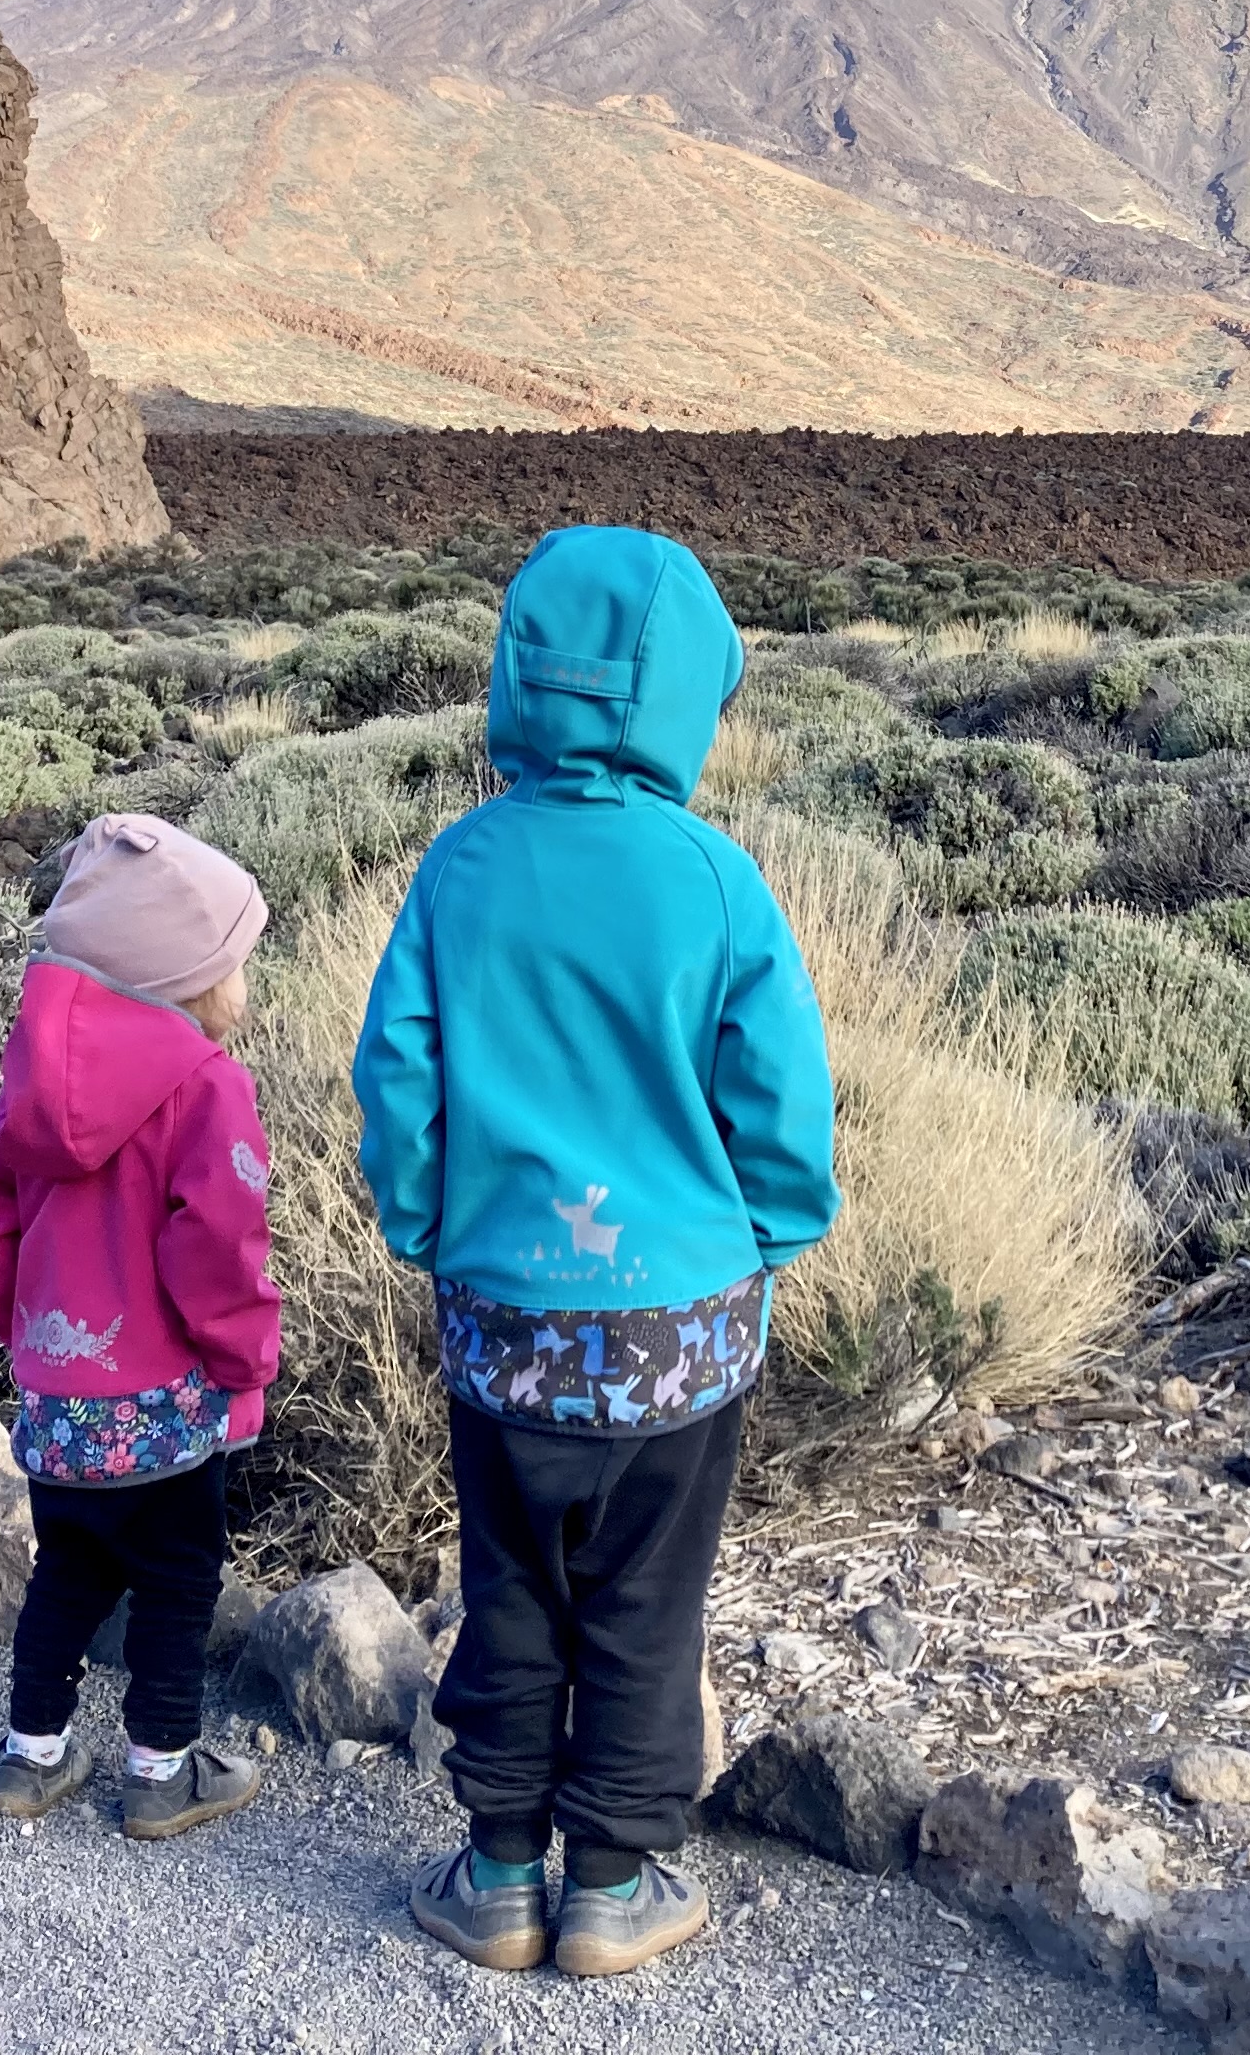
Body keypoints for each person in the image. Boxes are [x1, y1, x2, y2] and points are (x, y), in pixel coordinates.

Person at [354, 526, 839, 1977]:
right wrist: (767, 1233)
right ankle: (615, 1891)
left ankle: (498, 1875)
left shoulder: (460, 868)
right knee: (647, 1602)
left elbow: (399, 1075)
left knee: (511, 1587)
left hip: (503, 1315)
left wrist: (427, 1223)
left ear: (520, 681)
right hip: (684, 1329)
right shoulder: (714, 878)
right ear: (689, 695)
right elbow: (782, 1096)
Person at [0, 812, 283, 1839]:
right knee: (179, 1583)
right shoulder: (205, 1086)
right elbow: (220, 1246)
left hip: (58, 1393)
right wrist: (244, 1364)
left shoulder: (32, 1081)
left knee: (69, 1571)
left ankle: (31, 1756)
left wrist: (29, 1336)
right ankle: (159, 1771)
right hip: (171, 1405)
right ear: (193, 976)